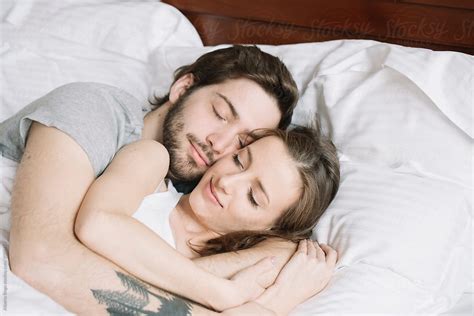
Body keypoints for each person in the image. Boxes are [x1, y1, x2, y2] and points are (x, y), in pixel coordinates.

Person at [0, 45, 312, 314]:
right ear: (183, 87)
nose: (220, 143)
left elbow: (283, 247)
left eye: (242, 144)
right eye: (220, 112)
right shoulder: (94, 110)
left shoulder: (198, 192)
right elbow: (40, 257)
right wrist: (219, 296)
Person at [73, 126, 340, 315]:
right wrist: (223, 294)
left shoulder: (251, 272)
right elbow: (97, 223)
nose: (226, 182)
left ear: (272, 228)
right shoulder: (150, 162)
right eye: (238, 160)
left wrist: (277, 302)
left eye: (253, 197)